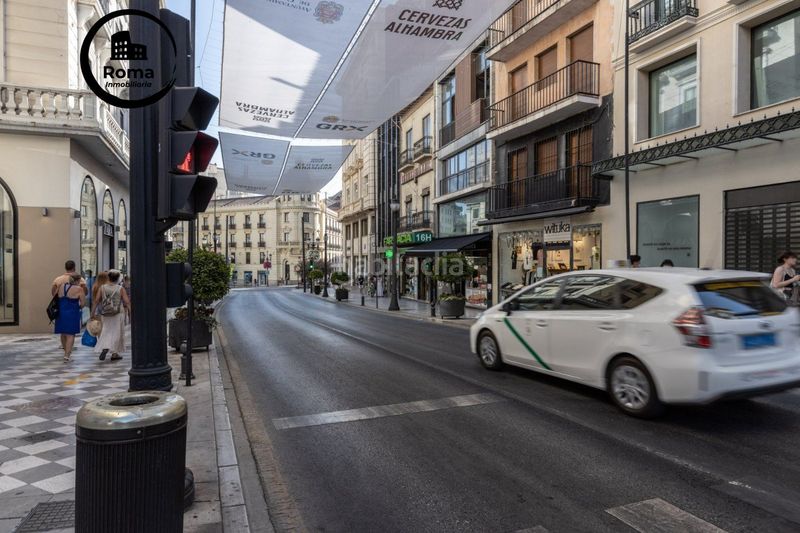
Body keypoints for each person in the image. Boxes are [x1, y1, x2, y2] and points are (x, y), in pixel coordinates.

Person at [95, 270, 130, 361]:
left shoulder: (102, 288)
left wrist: (92, 313)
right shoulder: (120, 288)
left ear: (109, 277)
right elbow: (127, 301)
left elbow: (96, 301)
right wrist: (131, 312)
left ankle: (105, 347)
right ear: (118, 278)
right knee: (117, 332)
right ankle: (114, 353)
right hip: (118, 312)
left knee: (106, 330)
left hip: (106, 312)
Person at [53, 273, 85, 362]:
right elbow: (83, 303)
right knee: (71, 335)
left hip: (61, 313)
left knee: (63, 333)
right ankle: (67, 356)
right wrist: (78, 307)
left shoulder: (61, 286)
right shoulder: (79, 289)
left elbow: (55, 296)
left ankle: (65, 352)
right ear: (78, 280)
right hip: (72, 313)